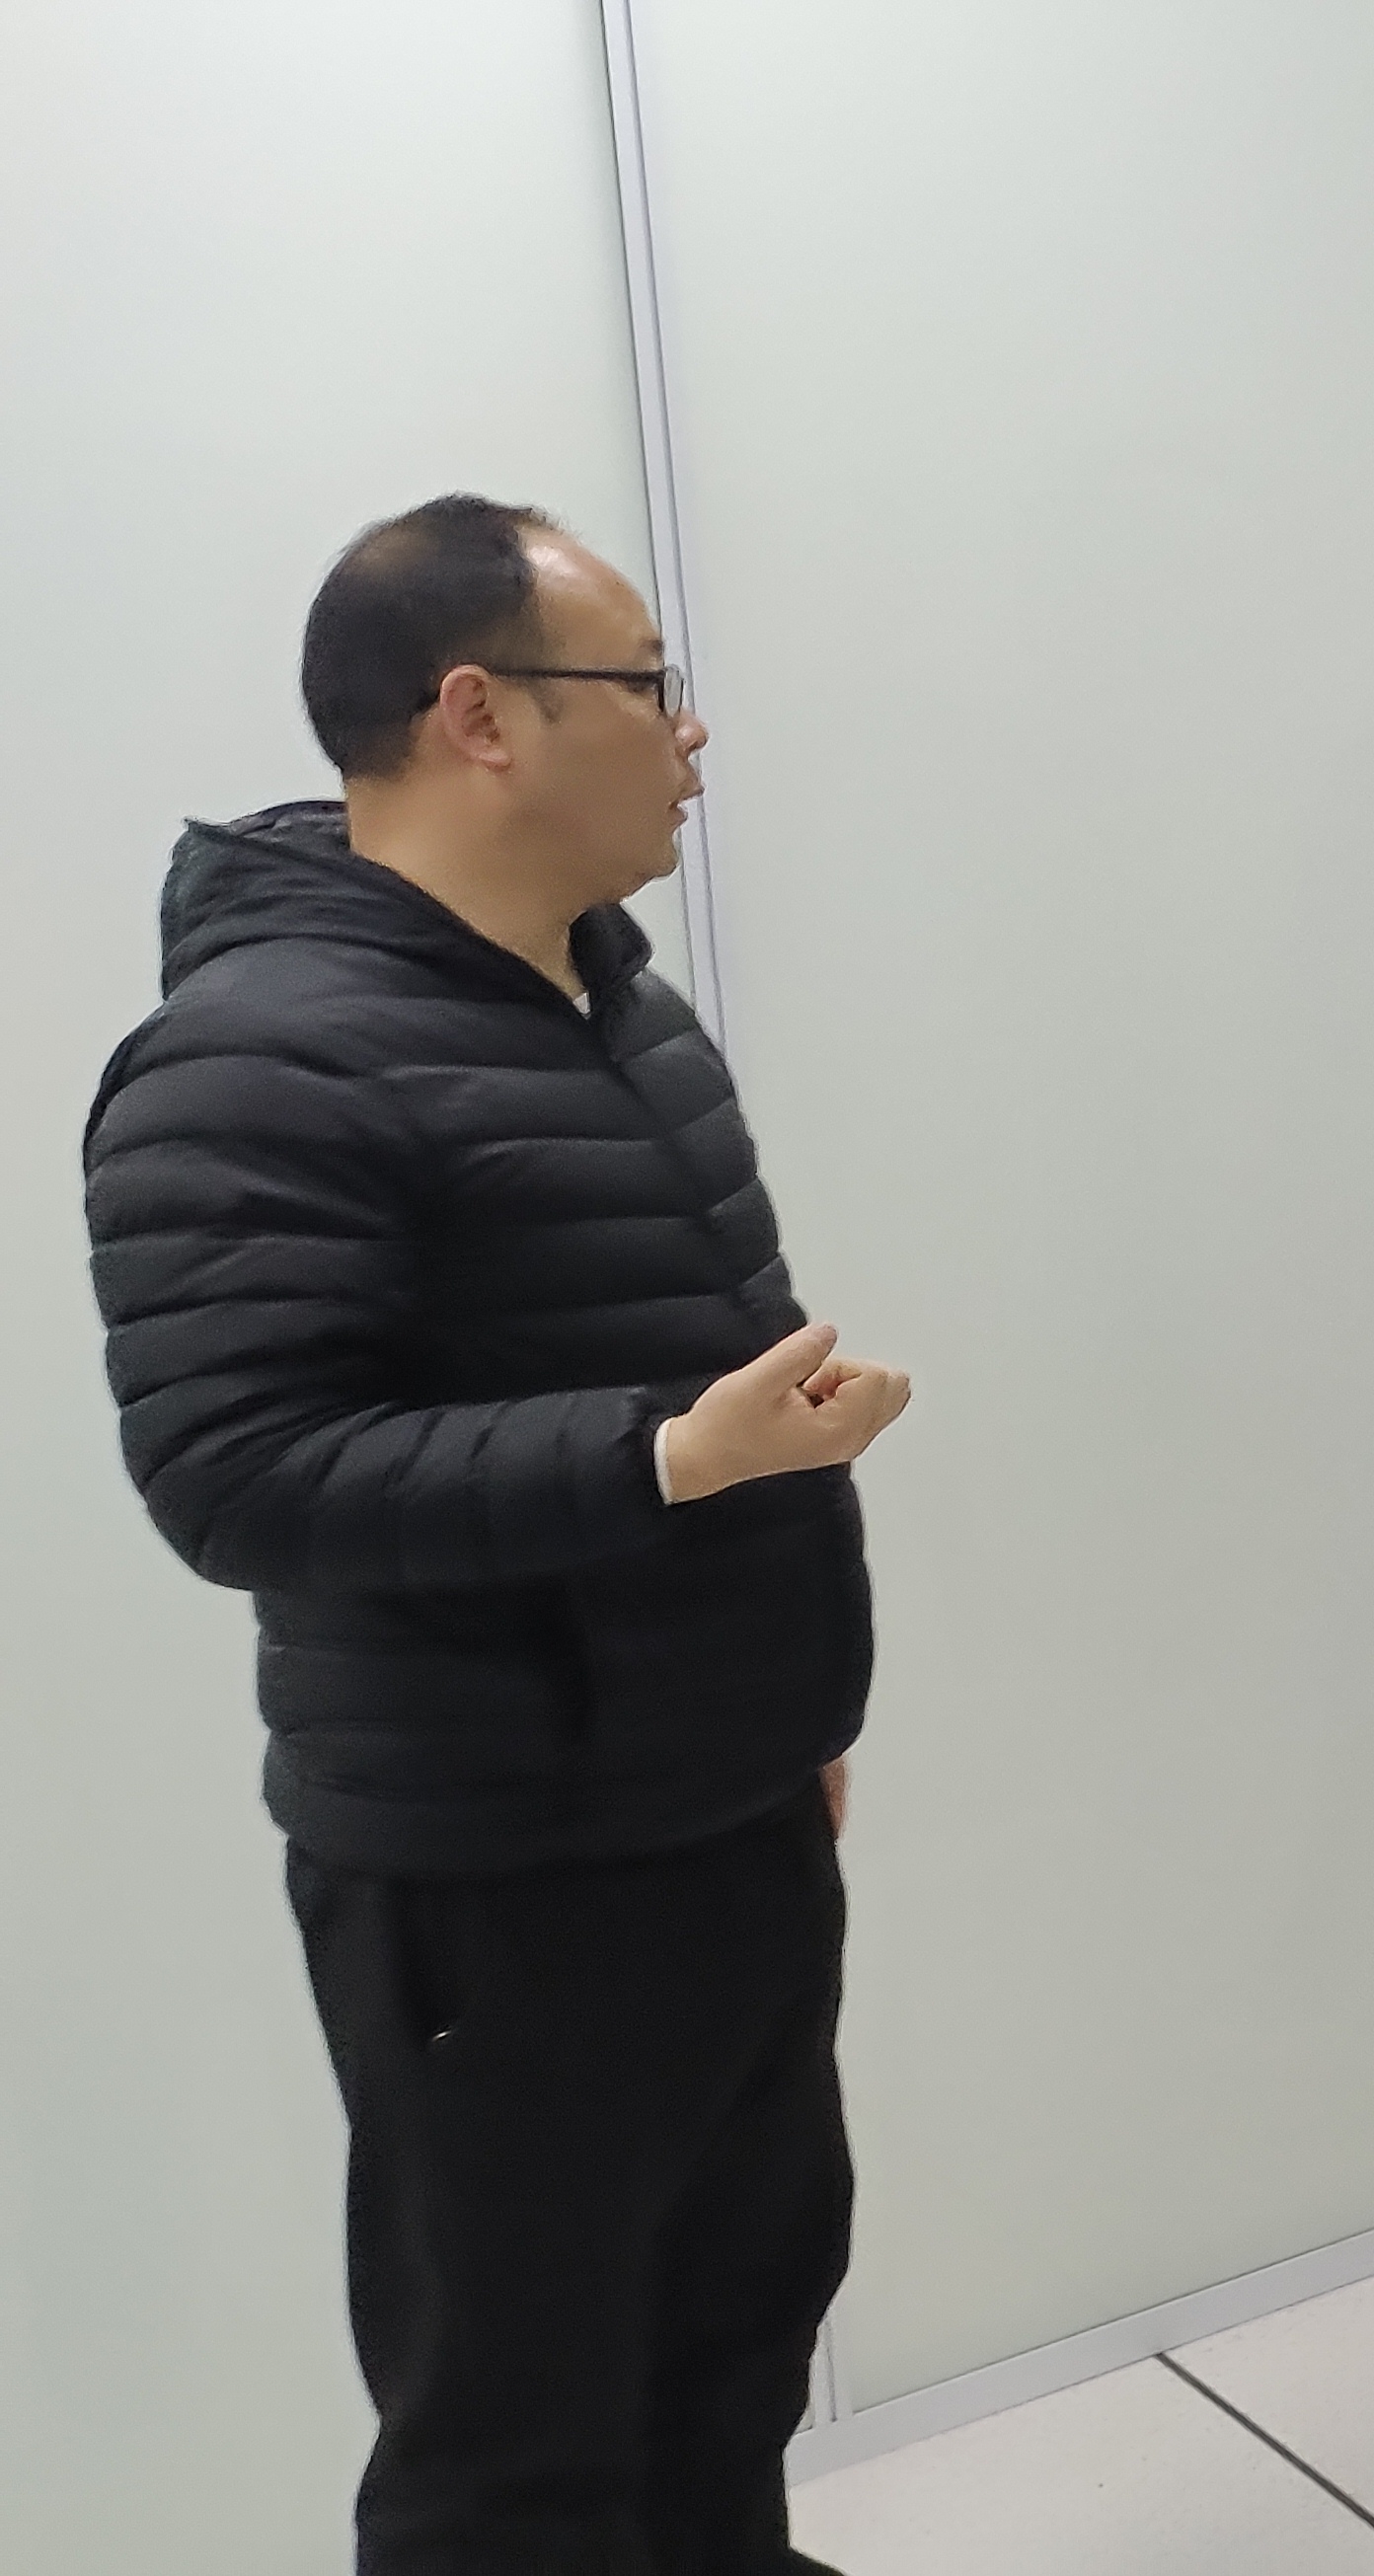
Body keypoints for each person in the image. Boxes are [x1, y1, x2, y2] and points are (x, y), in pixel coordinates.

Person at [82, 496, 909, 2574]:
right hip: (499, 1872)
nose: (691, 735)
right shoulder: (250, 1060)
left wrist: (782, 1714)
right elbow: (237, 1472)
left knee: (737, 2320)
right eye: (647, 686)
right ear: (481, 715)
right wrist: (665, 1457)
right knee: (516, 2435)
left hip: (720, 1806)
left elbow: (687, 1372)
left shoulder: (613, 1003)